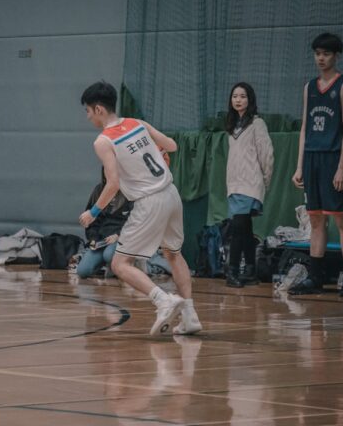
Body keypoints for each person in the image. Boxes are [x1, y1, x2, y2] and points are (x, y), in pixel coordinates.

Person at [78, 81, 202, 335]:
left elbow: (112, 183)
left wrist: (93, 213)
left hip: (149, 201)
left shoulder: (103, 141)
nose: (88, 117)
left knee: (120, 264)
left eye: (88, 111)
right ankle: (190, 317)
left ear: (99, 109)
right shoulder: (138, 124)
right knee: (173, 254)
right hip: (171, 193)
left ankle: (163, 299)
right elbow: (172, 146)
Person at [290, 33, 343, 296]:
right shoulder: (309, 87)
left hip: (332, 158)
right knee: (315, 219)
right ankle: (314, 276)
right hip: (312, 158)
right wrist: (299, 165)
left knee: (342, 219)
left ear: (336, 55)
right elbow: (305, 127)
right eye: (317, 53)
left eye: (326, 53)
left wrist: (342, 166)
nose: (321, 57)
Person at [224, 82, 274, 288]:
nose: (238, 100)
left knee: (237, 228)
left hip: (250, 183)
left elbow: (267, 154)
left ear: (250, 99)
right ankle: (251, 270)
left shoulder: (257, 123)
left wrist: (265, 180)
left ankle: (233, 271)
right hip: (235, 184)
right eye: (235, 96)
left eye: (242, 96)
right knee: (244, 229)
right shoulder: (232, 126)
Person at [76, 169, 131, 279]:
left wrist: (119, 235)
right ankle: (108, 265)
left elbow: (137, 222)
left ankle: (128, 266)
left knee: (109, 254)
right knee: (82, 271)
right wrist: (93, 239)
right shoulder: (98, 190)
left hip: (123, 239)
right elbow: (92, 221)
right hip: (102, 240)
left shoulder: (132, 192)